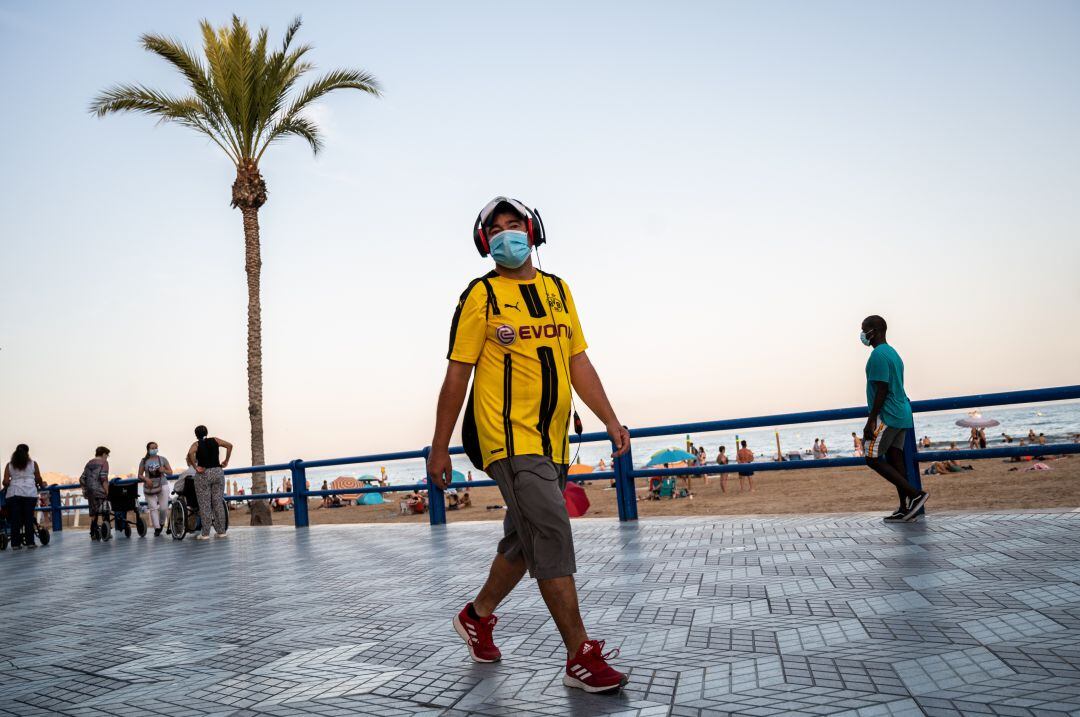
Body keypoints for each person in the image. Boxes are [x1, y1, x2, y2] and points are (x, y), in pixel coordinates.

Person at [427, 196, 629, 693]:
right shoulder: (481, 296)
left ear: (532, 230)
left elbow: (578, 360)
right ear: (484, 242)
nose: (505, 235)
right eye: (495, 229)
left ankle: (477, 616)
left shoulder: (559, 290)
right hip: (507, 439)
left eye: (513, 224)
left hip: (554, 442)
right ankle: (579, 655)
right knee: (552, 529)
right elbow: (457, 374)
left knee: (525, 539)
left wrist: (610, 419)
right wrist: (439, 446)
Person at [859, 315, 928, 522]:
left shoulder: (878, 355)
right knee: (895, 460)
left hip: (889, 414)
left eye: (864, 330)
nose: (862, 334)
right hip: (902, 412)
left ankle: (915, 495)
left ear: (874, 331)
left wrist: (871, 420)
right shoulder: (893, 353)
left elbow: (882, 389)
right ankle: (904, 508)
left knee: (871, 458)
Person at [185, 425, 231, 540]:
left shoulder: (196, 444)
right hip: (217, 472)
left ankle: (205, 534)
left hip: (203, 474)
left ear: (196, 435)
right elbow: (229, 445)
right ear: (207, 432)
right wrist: (226, 460)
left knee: (205, 504)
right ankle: (221, 532)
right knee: (218, 502)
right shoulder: (215, 440)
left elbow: (190, 453)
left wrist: (195, 467)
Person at [2, 444, 46, 549]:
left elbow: (5, 482)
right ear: (27, 453)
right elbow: (38, 478)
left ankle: (15, 544)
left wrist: (9, 483)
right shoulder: (33, 464)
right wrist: (41, 485)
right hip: (29, 493)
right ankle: (30, 542)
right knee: (28, 518)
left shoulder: (9, 465)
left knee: (15, 519)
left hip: (14, 494)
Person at [138, 441, 173, 537]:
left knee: (164, 508)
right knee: (153, 508)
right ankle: (157, 528)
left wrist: (164, 470)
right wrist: (146, 479)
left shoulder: (162, 459)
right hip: (149, 487)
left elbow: (170, 472)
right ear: (148, 449)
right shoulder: (144, 461)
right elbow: (139, 475)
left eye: (155, 447)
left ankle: (161, 523)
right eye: (152, 448)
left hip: (162, 484)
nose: (154, 449)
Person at [79, 446, 112, 540]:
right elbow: (103, 478)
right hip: (100, 491)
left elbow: (82, 479)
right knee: (105, 510)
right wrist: (107, 491)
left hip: (90, 492)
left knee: (94, 512)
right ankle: (106, 532)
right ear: (104, 454)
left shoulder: (89, 463)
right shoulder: (104, 463)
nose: (107, 457)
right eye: (107, 455)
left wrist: (85, 490)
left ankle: (93, 532)